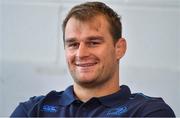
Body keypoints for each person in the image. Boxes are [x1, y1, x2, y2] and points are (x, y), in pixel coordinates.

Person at [11, 1, 175, 117]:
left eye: (93, 42)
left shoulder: (149, 112)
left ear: (119, 48)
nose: (81, 53)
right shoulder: (33, 110)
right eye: (73, 44)